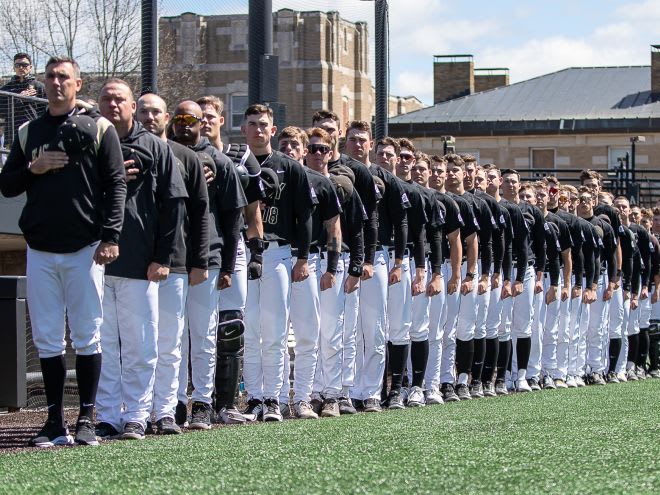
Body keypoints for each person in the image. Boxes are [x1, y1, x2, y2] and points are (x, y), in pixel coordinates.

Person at [0, 56, 126, 447]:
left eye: (64, 77)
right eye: (50, 76)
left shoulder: (99, 127)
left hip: (85, 249)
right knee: (48, 338)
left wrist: (111, 236)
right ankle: (54, 421)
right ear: (43, 81)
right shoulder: (27, 131)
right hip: (39, 249)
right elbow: (7, 186)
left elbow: (117, 183)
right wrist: (33, 169)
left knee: (88, 336)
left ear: (78, 83)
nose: (56, 83)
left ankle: (86, 418)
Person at [95, 79, 187, 441]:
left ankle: (135, 415)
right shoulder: (90, 140)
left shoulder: (156, 147)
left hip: (140, 264)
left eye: (120, 100)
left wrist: (162, 257)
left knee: (140, 345)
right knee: (102, 344)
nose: (112, 105)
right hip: (94, 262)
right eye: (106, 99)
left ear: (133, 107)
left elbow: (174, 204)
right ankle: (106, 415)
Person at [136, 93, 210, 434]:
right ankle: (133, 411)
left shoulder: (186, 157)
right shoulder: (121, 149)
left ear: (165, 117)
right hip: (131, 262)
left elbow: (199, 214)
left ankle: (168, 409)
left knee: (170, 341)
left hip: (176, 263)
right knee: (134, 342)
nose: (150, 117)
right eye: (144, 111)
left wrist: (200, 260)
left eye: (156, 112)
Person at [170, 100, 247, 428]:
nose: (185, 124)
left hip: (209, 260)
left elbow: (233, 220)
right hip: (171, 259)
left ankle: (202, 401)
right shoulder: (164, 153)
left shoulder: (219, 161)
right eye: (180, 118)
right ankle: (172, 403)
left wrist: (228, 267)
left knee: (202, 335)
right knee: (173, 337)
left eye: (192, 119)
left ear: (204, 123)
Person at [241, 104, 316, 422]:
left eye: (264, 125)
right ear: (243, 129)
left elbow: (305, 216)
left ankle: (272, 397)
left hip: (278, 253)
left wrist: (302, 257)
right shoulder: (236, 163)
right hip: (242, 253)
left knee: (273, 331)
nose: (258, 129)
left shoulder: (290, 166)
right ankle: (254, 397)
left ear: (273, 130)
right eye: (252, 124)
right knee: (248, 331)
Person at [312, 110, 379, 415]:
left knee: (345, 330)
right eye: (318, 132)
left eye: (330, 130)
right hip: (312, 256)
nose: (323, 139)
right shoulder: (304, 167)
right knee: (314, 329)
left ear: (337, 133)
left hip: (345, 255)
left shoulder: (354, 171)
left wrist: (362, 260)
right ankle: (313, 390)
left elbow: (365, 221)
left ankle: (343, 391)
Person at [0, 53, 46, 145]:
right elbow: (1, 113)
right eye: (18, 65)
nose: (21, 67)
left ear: (30, 67)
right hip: (12, 136)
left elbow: (47, 112)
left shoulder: (39, 87)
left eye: (25, 65)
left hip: (34, 135)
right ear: (14, 68)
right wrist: (19, 98)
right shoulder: (5, 89)